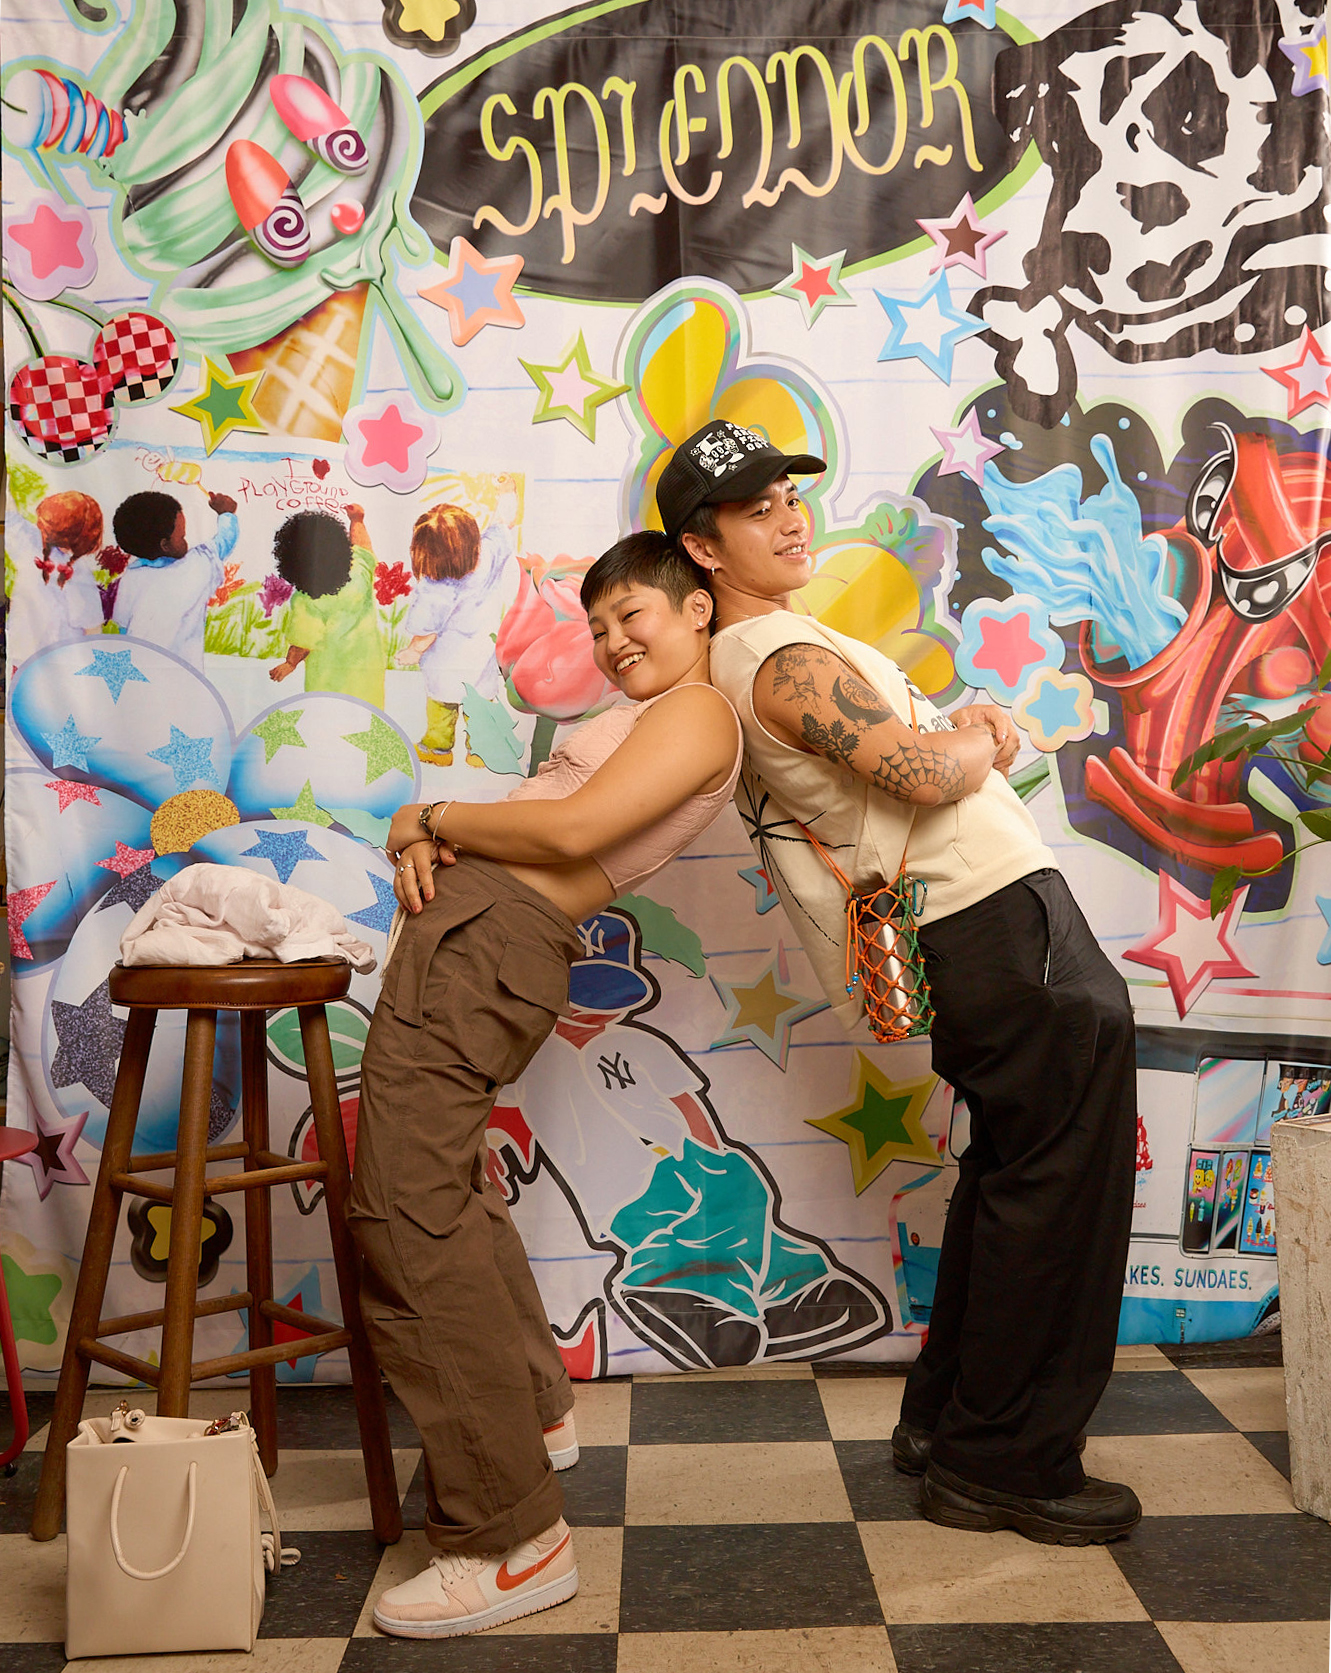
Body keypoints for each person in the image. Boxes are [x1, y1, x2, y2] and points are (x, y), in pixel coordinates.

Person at [660, 418, 1142, 1546]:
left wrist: (952, 736)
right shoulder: (774, 658)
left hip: (973, 924)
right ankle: (1003, 1462)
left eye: (789, 496)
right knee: (1055, 1185)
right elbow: (920, 772)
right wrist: (988, 733)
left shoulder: (762, 648)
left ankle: (949, 1425)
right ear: (701, 548)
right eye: (755, 510)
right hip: (986, 916)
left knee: (1016, 1169)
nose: (789, 520)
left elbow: (894, 765)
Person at [349, 531, 743, 1638]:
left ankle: (510, 1540)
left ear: (697, 607)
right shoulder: (649, 712)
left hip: (494, 936)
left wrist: (430, 818)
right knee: (445, 1195)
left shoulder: (699, 714)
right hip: (475, 930)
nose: (614, 642)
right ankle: (527, 1416)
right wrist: (438, 851)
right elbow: (550, 824)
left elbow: (573, 829)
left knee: (404, 1213)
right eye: (598, 626)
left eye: (634, 616)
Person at [396, 501, 514, 766]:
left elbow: (426, 632)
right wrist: (507, 493)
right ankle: (480, 752)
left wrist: (412, 651)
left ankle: (438, 750)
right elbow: (503, 522)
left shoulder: (435, 588)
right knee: (480, 707)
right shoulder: (488, 555)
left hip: (444, 664)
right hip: (481, 656)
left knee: (441, 707)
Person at [269, 504, 387, 704]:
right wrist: (357, 521)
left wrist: (290, 663)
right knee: (369, 711)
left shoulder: (306, 599)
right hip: (367, 668)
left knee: (326, 715)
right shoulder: (358, 573)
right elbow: (363, 548)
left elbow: (303, 641)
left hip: (327, 677)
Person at [110, 487, 238, 669]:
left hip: (140, 671)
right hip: (185, 673)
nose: (186, 541)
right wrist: (226, 514)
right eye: (182, 536)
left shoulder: (131, 577)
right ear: (165, 545)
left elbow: (123, 626)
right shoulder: (194, 566)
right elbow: (224, 542)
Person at [7, 491, 106, 661]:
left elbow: (11, 518)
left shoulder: (28, 542)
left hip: (23, 652)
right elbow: (92, 628)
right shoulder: (80, 573)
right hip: (62, 659)